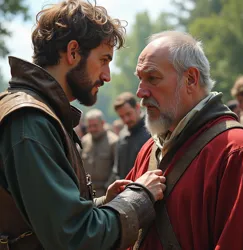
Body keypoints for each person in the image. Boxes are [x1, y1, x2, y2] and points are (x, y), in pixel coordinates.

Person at [0, 1, 166, 249]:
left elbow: (46, 219)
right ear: (73, 52)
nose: (107, 75)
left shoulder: (38, 115)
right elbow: (76, 238)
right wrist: (139, 197)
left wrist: (103, 205)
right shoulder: (30, 122)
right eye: (104, 59)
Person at [127, 30, 243, 250]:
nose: (140, 92)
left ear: (191, 79)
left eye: (152, 78)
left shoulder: (238, 151)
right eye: (140, 79)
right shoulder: (149, 150)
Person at [112, 92, 150, 179]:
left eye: (128, 114)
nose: (126, 119)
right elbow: (117, 170)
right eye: (122, 116)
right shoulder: (122, 136)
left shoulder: (151, 133)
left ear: (137, 107)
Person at [80, 109, 118, 196]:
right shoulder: (84, 141)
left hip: (106, 193)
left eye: (95, 125)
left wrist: (108, 187)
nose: (92, 129)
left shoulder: (113, 141)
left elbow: (116, 168)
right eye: (90, 126)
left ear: (103, 123)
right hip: (86, 192)